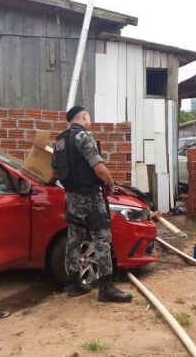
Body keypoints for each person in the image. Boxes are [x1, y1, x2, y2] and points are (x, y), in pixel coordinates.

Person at [51, 105, 133, 303]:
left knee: (74, 239)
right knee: (102, 237)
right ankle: (106, 288)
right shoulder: (84, 136)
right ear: (84, 116)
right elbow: (99, 168)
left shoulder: (59, 141)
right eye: (89, 117)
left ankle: (74, 284)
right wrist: (111, 184)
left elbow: (54, 173)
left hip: (71, 197)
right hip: (90, 197)